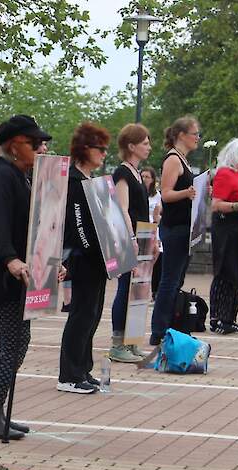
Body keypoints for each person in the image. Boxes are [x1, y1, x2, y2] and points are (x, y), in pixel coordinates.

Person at [0, 114, 56, 438]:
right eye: (34, 142)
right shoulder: (0, 175)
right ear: (14, 146)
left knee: (17, 340)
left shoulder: (22, 175)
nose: (41, 147)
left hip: (22, 268)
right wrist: (10, 259)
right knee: (11, 341)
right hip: (4, 271)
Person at [59, 122, 111, 387]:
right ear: (85, 149)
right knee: (81, 314)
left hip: (97, 259)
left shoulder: (91, 181)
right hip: (84, 258)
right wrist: (93, 252)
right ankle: (70, 374)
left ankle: (83, 368)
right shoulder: (74, 181)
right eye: (100, 149)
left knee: (93, 314)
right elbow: (77, 224)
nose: (104, 154)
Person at [150, 116, 199, 345]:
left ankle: (170, 324)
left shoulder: (185, 161)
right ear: (181, 135)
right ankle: (159, 329)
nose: (197, 138)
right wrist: (187, 193)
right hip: (174, 227)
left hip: (184, 227)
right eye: (194, 134)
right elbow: (166, 193)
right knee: (169, 280)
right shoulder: (173, 159)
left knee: (177, 278)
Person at [107, 123, 151, 362]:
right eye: (144, 143)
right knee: (125, 288)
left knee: (138, 290)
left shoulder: (136, 171)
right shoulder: (123, 173)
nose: (148, 147)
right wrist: (130, 237)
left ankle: (132, 340)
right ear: (131, 146)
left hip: (143, 236)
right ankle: (118, 342)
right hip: (129, 237)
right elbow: (122, 209)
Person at [208, 138, 238, 334]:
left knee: (237, 272)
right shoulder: (224, 174)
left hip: (237, 226)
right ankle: (218, 317)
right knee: (226, 271)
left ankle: (230, 316)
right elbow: (216, 204)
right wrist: (236, 206)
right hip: (225, 225)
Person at [143, 166, 163, 297]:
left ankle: (154, 290)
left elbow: (159, 215)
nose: (144, 179)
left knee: (155, 260)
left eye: (147, 177)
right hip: (141, 228)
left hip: (153, 228)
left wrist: (157, 218)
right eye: (142, 176)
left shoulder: (156, 195)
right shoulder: (137, 192)